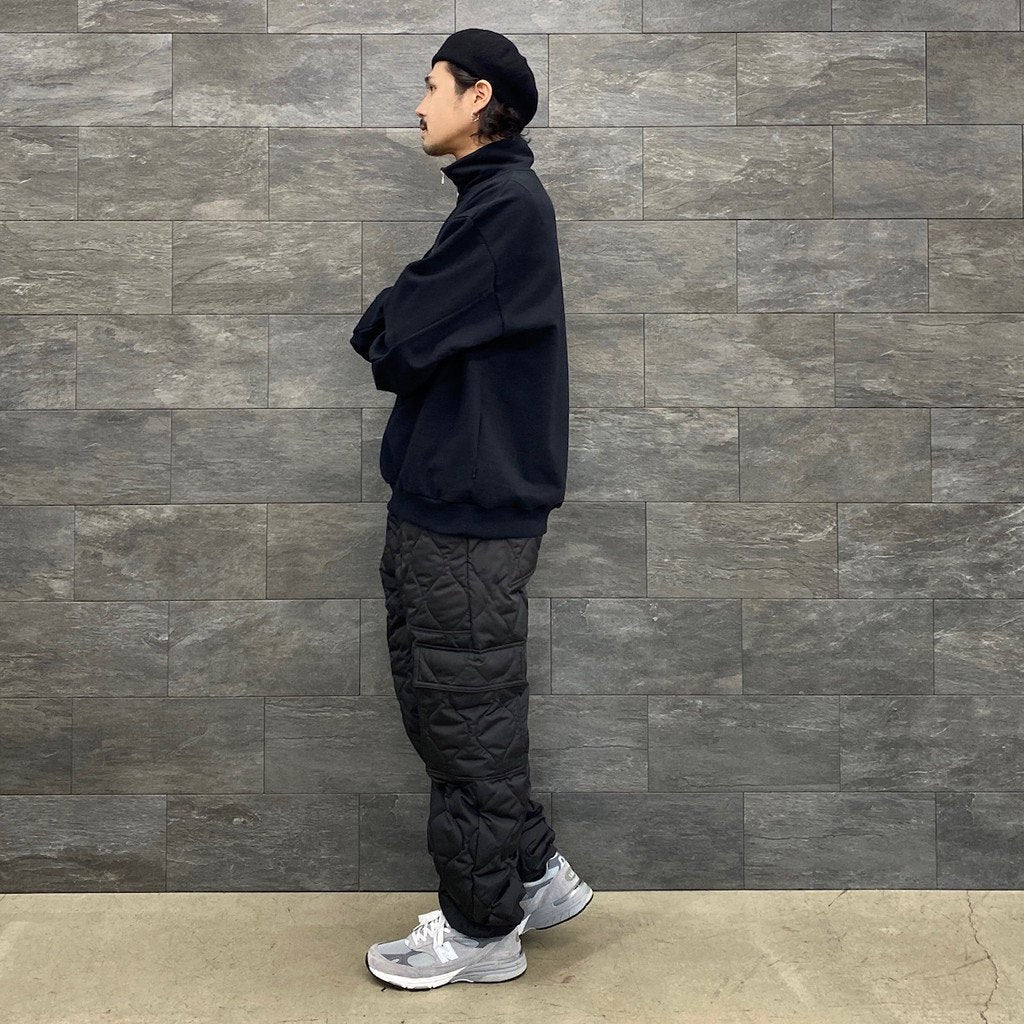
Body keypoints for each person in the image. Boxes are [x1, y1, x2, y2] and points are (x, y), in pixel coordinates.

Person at [350, 28, 594, 991]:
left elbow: (393, 339)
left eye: (431, 85)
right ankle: (532, 874)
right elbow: (404, 328)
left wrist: (399, 311)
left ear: (477, 95)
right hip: (446, 504)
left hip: (468, 517)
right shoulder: (486, 207)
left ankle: (483, 931)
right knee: (450, 710)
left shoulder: (506, 210)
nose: (419, 105)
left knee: (464, 719)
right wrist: (403, 312)